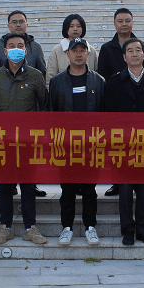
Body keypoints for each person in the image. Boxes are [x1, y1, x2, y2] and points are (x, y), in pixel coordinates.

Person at [0, 32, 51, 246]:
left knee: (28, 185)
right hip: (2, 141)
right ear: (4, 51)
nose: (15, 49)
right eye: (11, 46)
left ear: (26, 50)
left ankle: (30, 227)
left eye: (20, 46)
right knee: (5, 186)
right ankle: (6, 227)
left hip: (27, 142)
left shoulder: (36, 76)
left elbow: (45, 106)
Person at [104, 38, 144, 245]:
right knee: (125, 190)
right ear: (124, 57)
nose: (134, 53)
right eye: (130, 50)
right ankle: (128, 231)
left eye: (138, 50)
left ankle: (143, 230)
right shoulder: (113, 82)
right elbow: (109, 116)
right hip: (123, 145)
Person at [49, 37, 104, 246]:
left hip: (91, 144)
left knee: (90, 189)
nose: (79, 54)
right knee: (68, 190)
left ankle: (91, 227)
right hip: (66, 145)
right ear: (68, 54)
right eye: (75, 50)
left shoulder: (98, 81)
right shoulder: (56, 82)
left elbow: (104, 115)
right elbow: (52, 115)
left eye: (83, 50)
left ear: (88, 54)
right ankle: (67, 227)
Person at [0, 10, 47, 197]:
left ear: (27, 24)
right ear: (8, 25)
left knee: (28, 167)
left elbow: (42, 74)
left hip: (27, 116)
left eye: (22, 21)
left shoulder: (35, 47)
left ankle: (30, 187)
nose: (18, 24)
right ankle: (9, 188)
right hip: (3, 121)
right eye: (14, 22)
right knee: (5, 170)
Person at [97, 7, 144, 196]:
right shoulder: (107, 48)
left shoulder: (142, 45)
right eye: (120, 21)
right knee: (119, 149)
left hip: (142, 104)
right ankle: (117, 183)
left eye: (127, 20)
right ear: (114, 23)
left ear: (132, 22)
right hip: (118, 100)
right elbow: (103, 76)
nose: (124, 24)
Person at [45, 13, 98, 88]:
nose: (75, 29)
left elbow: (96, 75)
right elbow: (50, 78)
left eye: (79, 26)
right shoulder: (57, 50)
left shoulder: (91, 50)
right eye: (71, 26)